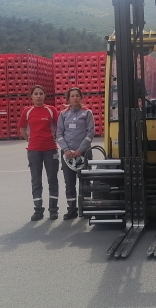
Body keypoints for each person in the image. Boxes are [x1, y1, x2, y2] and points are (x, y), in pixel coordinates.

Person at [18, 85, 60, 221]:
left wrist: (56, 139)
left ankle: (53, 210)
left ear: (44, 95)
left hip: (50, 149)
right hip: (34, 151)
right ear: (31, 96)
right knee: (36, 180)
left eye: (41, 93)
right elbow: (22, 128)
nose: (38, 96)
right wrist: (29, 141)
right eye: (35, 94)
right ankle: (38, 210)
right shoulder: (27, 111)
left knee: (52, 179)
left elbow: (59, 127)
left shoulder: (51, 110)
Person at [56, 87, 95, 220]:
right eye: (72, 96)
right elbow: (59, 134)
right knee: (69, 182)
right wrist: (66, 150)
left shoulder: (87, 113)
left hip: (83, 153)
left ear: (81, 97)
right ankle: (72, 208)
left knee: (85, 181)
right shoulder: (63, 114)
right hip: (68, 155)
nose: (75, 98)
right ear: (68, 99)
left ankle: (86, 208)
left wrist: (80, 150)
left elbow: (90, 133)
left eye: (77, 95)